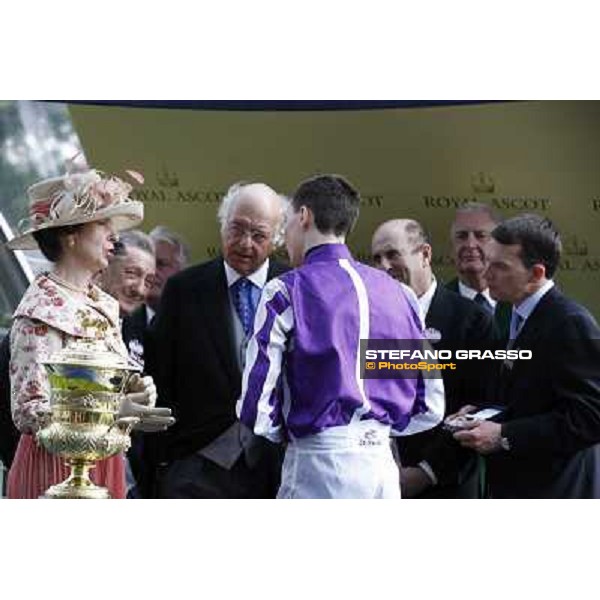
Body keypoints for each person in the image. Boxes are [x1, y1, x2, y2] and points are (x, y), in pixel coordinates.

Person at [237, 175, 444, 499]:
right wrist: (375, 428)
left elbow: (256, 407)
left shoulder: (286, 289)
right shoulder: (402, 294)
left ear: (304, 216)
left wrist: (302, 434)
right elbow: (430, 403)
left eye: (287, 223)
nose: (284, 237)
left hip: (317, 463)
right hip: (382, 467)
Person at [5, 167, 174, 499]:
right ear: (70, 235)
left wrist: (137, 394)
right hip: (54, 470)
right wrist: (113, 411)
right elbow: (28, 411)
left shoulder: (103, 305)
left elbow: (107, 388)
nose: (114, 237)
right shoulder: (41, 310)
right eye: (103, 224)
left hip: (104, 460)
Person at [144, 182, 288, 498]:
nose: (245, 243)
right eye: (236, 229)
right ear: (222, 224)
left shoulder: (295, 289)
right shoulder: (184, 290)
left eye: (259, 235)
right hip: (195, 463)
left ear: (277, 239)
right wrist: (162, 461)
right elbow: (158, 379)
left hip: (275, 465)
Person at [453, 214, 600, 498]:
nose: (485, 274)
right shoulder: (515, 312)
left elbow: (591, 417)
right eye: (488, 262)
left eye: (499, 266)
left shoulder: (570, 322)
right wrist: (481, 410)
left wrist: (504, 435)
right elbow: (531, 395)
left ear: (536, 274)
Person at [371, 218, 495, 498]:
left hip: (449, 485)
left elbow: (478, 405)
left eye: (392, 254)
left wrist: (427, 472)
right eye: (377, 258)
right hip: (379, 482)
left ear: (425, 254)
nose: (383, 267)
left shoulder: (472, 319)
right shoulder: (367, 318)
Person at [121, 226, 190, 368]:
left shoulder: (195, 322)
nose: (152, 273)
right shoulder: (122, 316)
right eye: (147, 265)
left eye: (161, 264)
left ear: (182, 271)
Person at [447, 203, 511, 339]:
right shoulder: (433, 305)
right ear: (451, 247)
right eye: (462, 236)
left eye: (481, 235)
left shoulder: (521, 303)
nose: (470, 244)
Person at [97, 229, 156, 320]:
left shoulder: (137, 329)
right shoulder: (75, 314)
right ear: (105, 267)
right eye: (132, 273)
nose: (140, 290)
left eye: (148, 282)